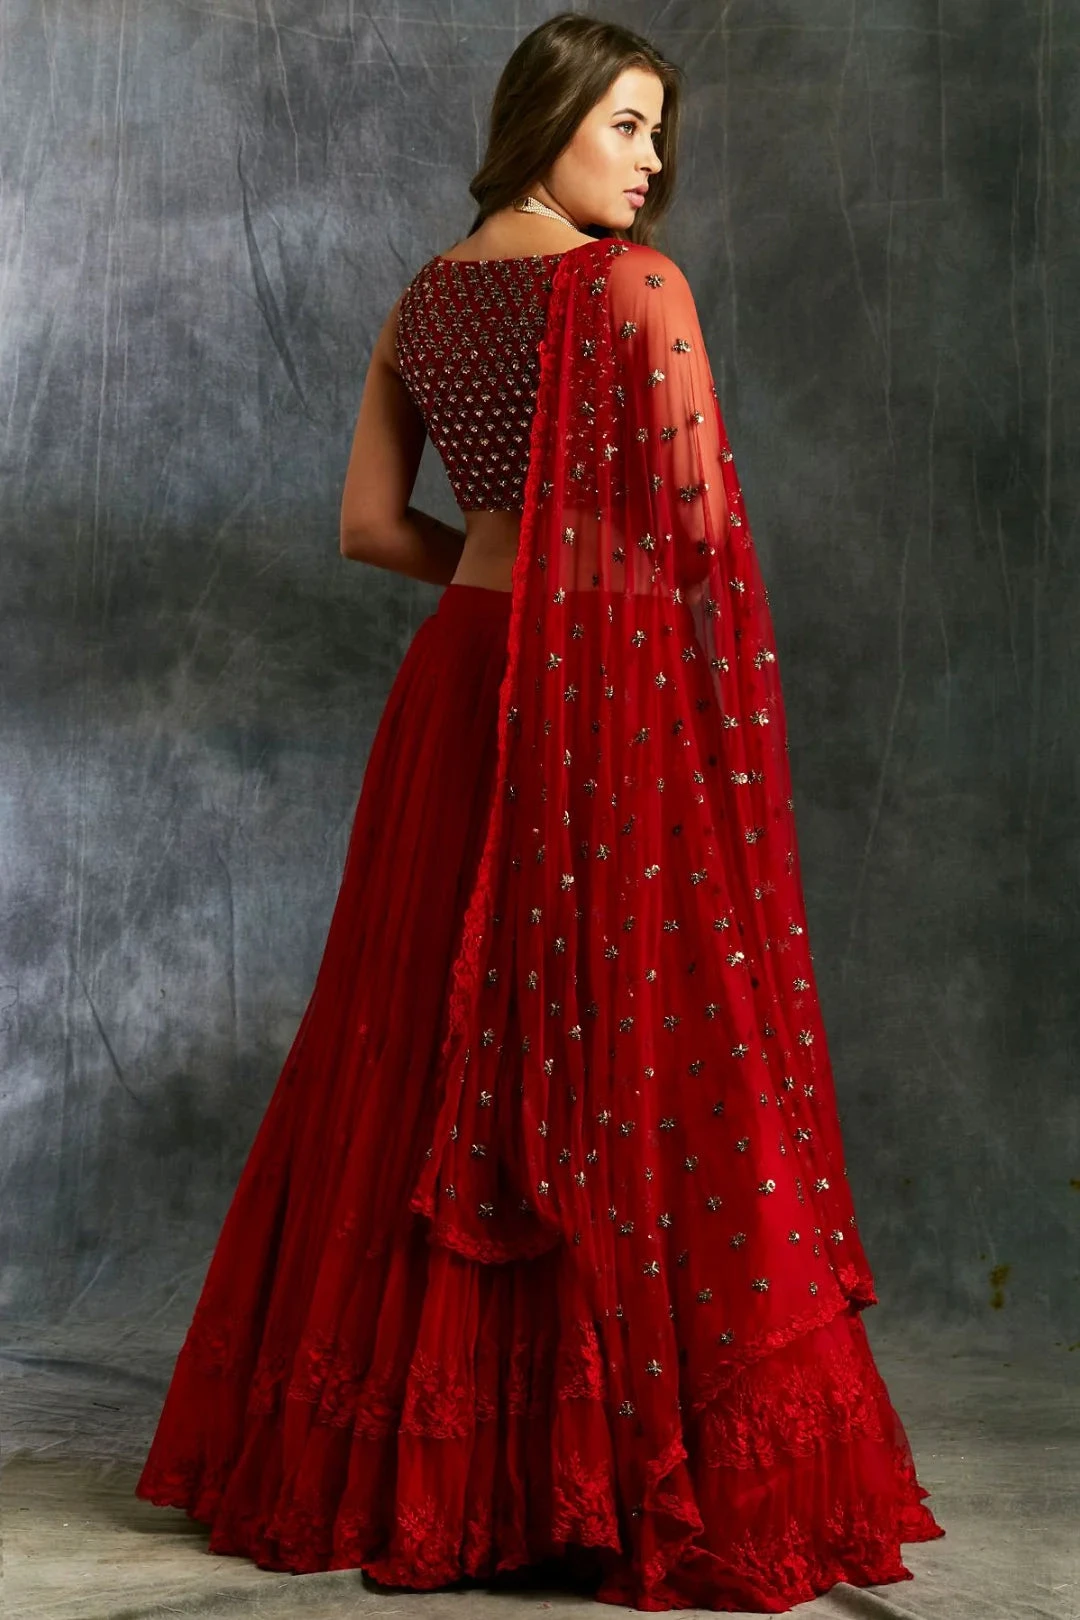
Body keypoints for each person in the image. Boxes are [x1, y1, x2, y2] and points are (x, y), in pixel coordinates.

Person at [135, 13, 945, 1611]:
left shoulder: (423, 299)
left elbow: (373, 528)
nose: (654, 160)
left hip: (460, 686)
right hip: (605, 699)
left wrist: (509, 586)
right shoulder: (636, 290)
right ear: (551, 118)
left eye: (659, 132)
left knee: (420, 1045)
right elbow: (697, 531)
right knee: (637, 1046)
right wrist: (586, 606)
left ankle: (413, 1468)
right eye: (628, 126)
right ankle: (611, 1467)